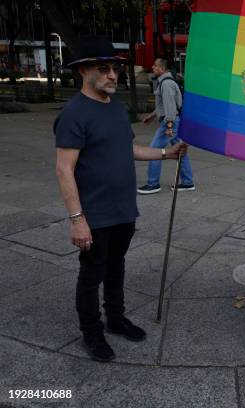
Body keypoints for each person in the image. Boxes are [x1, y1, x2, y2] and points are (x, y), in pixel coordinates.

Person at [54, 37, 187, 362]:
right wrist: (77, 219)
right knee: (92, 274)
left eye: (114, 68)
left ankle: (115, 318)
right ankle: (92, 332)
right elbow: (63, 169)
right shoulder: (74, 114)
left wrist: (165, 154)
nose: (113, 75)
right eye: (104, 69)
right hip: (95, 214)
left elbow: (127, 149)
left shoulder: (113, 107)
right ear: (84, 71)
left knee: (117, 267)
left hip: (124, 209)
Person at [138, 57, 195, 194]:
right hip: (173, 120)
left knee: (154, 151)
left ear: (162, 69)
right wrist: (152, 116)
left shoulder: (166, 84)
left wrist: (169, 125)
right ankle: (187, 182)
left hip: (170, 122)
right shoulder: (165, 82)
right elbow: (163, 105)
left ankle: (153, 183)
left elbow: (170, 106)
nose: (153, 67)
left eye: (155, 65)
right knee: (180, 151)